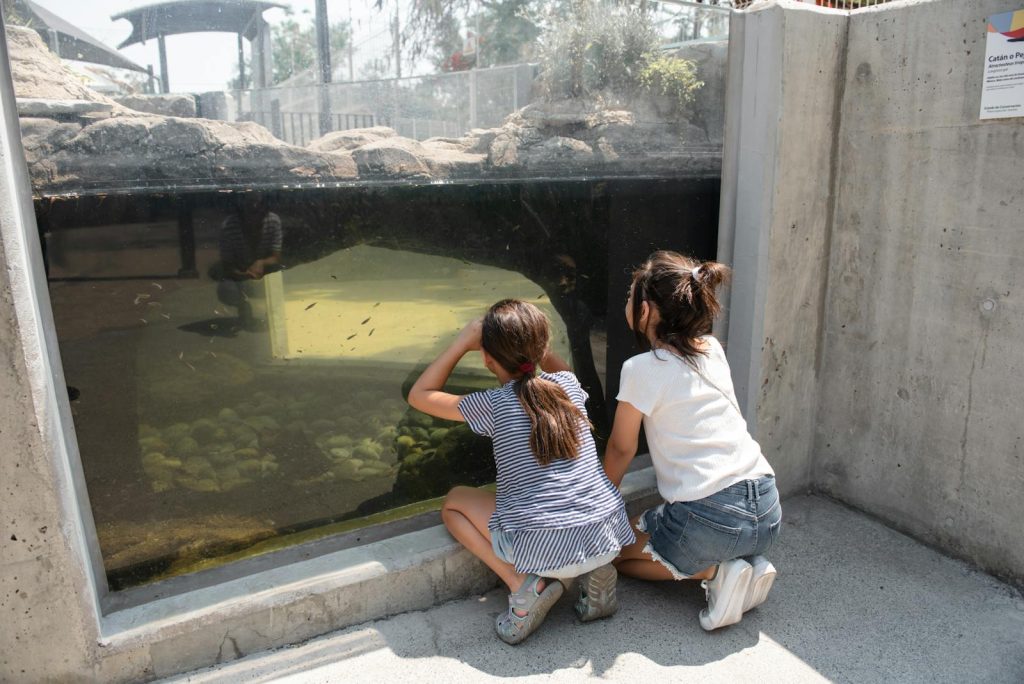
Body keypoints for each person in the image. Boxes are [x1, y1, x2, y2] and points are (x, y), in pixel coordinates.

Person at [408, 299, 634, 645]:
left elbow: (420, 395)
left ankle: (525, 585)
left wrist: (462, 341)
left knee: (454, 503)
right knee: (565, 507)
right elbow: (562, 372)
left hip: (544, 546)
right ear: (542, 347)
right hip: (605, 537)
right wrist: (538, 348)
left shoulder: (492, 405)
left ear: (486, 358)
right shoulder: (568, 388)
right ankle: (593, 573)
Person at [603, 251, 781, 631]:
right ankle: (750, 562)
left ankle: (716, 572)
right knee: (640, 525)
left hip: (711, 519)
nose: (626, 303)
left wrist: (598, 503)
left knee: (615, 550)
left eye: (629, 296)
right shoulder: (711, 349)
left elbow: (621, 448)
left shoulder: (640, 370)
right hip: (767, 508)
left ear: (646, 310)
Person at [212, 193, 282, 331]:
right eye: (250, 204)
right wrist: (243, 274)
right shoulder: (229, 226)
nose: (254, 208)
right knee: (226, 290)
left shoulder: (272, 221)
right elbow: (227, 263)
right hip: (240, 272)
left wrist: (261, 263)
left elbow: (276, 257)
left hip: (265, 271)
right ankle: (243, 305)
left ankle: (274, 313)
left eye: (258, 204)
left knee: (280, 277)